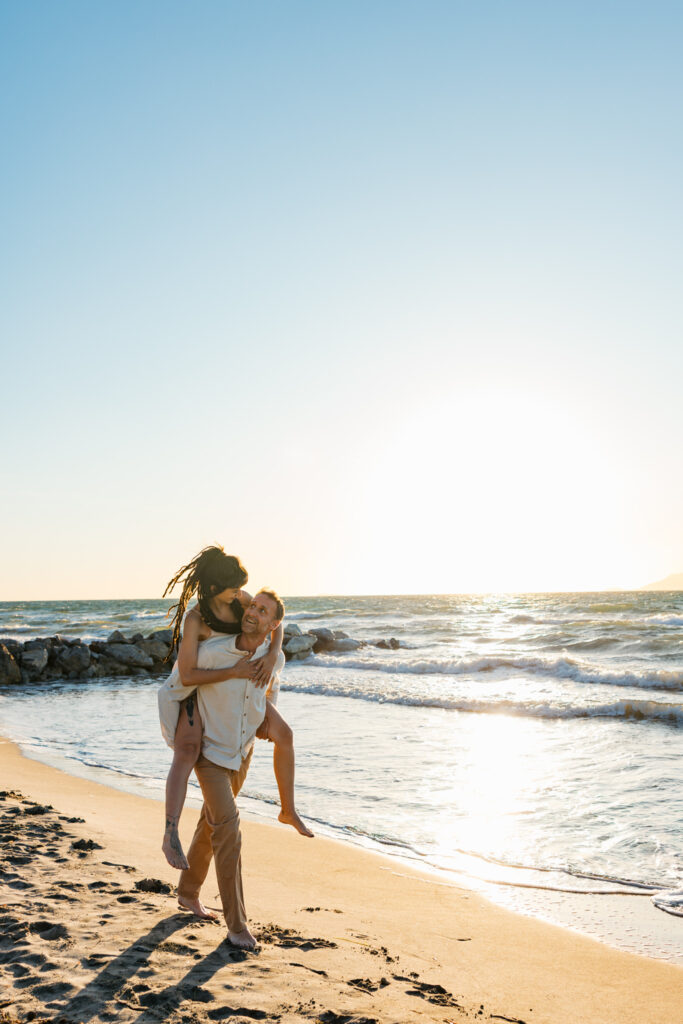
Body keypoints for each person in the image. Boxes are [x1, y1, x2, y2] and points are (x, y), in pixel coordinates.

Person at [158, 546, 312, 876]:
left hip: (236, 690)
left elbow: (277, 619)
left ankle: (288, 809)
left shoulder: (240, 599)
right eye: (235, 588)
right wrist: (234, 672)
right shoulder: (197, 618)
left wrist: (272, 655)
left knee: (284, 734)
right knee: (187, 750)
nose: (241, 594)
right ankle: (170, 832)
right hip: (197, 687)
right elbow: (186, 675)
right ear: (215, 589)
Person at [175, 587, 287, 948]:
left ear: (273, 624)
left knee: (212, 823)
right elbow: (183, 678)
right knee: (229, 828)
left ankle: (187, 892)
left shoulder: (274, 656)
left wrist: (275, 652)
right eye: (251, 605)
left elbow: (267, 692)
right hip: (208, 751)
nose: (252, 611)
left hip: (242, 751)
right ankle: (236, 926)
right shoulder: (213, 652)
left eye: (262, 610)